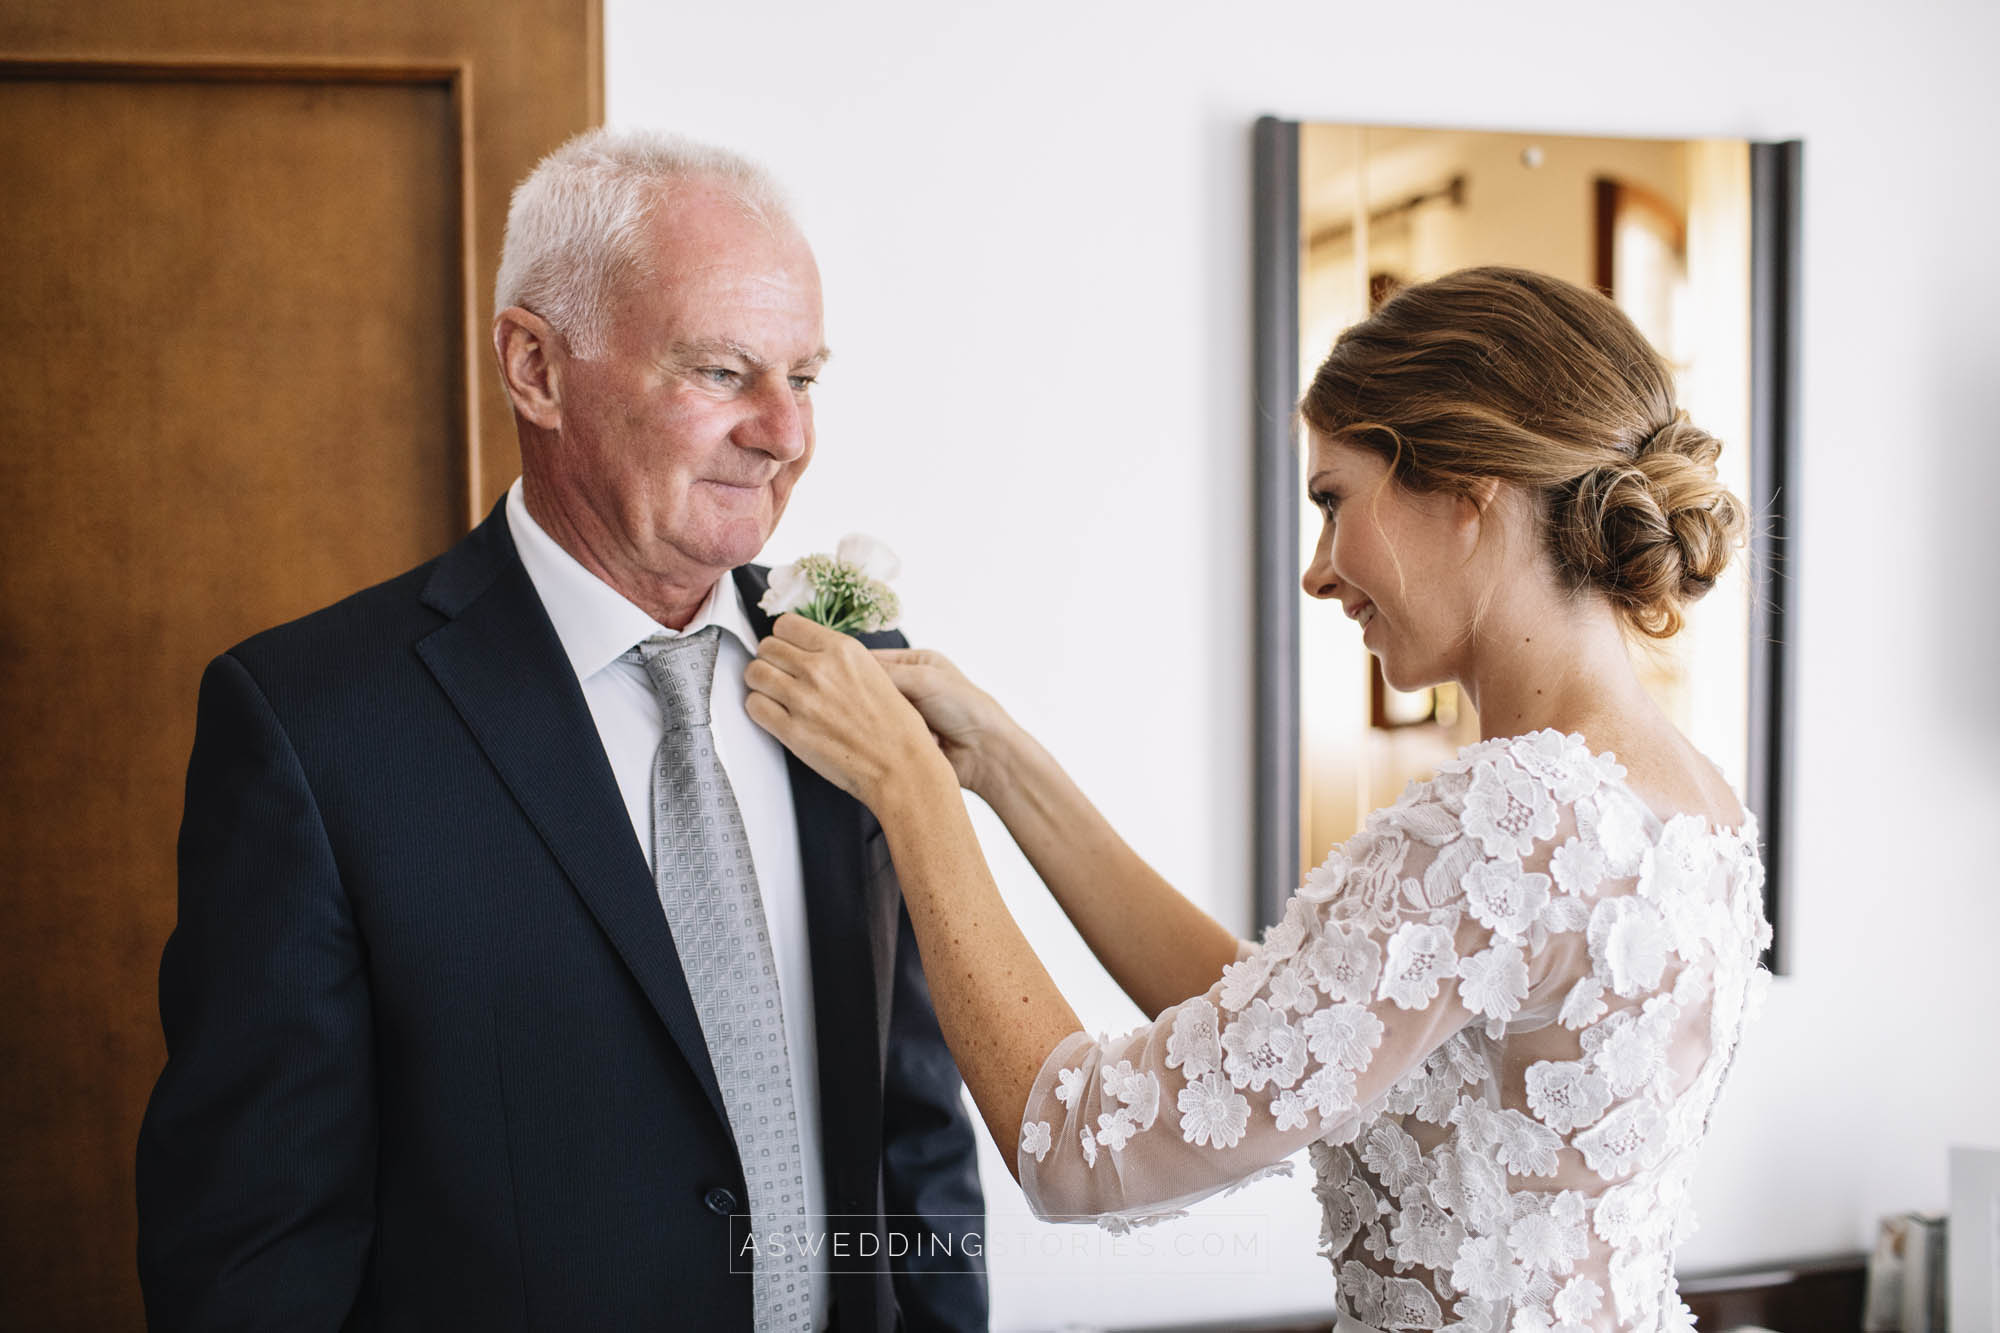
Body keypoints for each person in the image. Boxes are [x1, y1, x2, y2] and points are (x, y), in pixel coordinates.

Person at [744, 267, 1771, 1333]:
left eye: (1333, 499)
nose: (1317, 572)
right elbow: (1292, 1026)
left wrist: (910, 794)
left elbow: (1077, 1145)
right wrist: (1003, 765)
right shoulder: (1688, 801)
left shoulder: (1511, 815)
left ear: (1467, 493)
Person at [136, 129, 987, 1333]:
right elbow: (255, 1246)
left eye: (803, 376)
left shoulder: (860, 682)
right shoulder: (314, 729)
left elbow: (916, 1130)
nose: (784, 433)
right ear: (534, 367)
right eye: (720, 371)